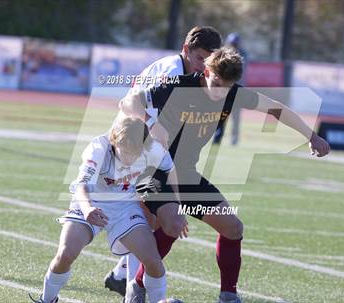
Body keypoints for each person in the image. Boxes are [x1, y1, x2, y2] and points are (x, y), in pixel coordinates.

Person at [120, 47, 331, 303]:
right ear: (206, 71)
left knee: (232, 226)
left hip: (185, 175)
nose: (220, 92)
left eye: (227, 87)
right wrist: (149, 123)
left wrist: (312, 136)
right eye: (216, 83)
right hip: (154, 171)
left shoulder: (233, 94)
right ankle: (138, 286)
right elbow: (129, 101)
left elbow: (276, 109)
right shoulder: (178, 85)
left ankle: (228, 296)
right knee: (173, 225)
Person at [105, 25, 222, 296]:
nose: (203, 66)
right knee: (144, 219)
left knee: (153, 218)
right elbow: (139, 108)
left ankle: (122, 275)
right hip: (135, 145)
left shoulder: (181, 71)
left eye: (209, 60)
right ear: (185, 49)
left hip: (142, 143)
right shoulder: (173, 73)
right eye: (199, 58)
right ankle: (133, 286)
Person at [28, 116, 180, 303]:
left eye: (135, 152)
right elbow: (82, 186)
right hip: (90, 201)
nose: (128, 158)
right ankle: (47, 299)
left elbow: (171, 172)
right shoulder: (99, 148)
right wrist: (87, 209)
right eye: (123, 150)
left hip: (125, 206)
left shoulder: (153, 149)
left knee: (154, 262)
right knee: (65, 254)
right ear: (114, 140)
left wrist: (177, 206)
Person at [213, 32, 246, 146]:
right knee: (222, 115)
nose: (234, 46)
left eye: (235, 44)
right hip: (225, 90)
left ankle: (234, 139)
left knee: (236, 117)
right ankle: (217, 138)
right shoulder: (223, 54)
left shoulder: (243, 55)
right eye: (233, 44)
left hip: (237, 91)